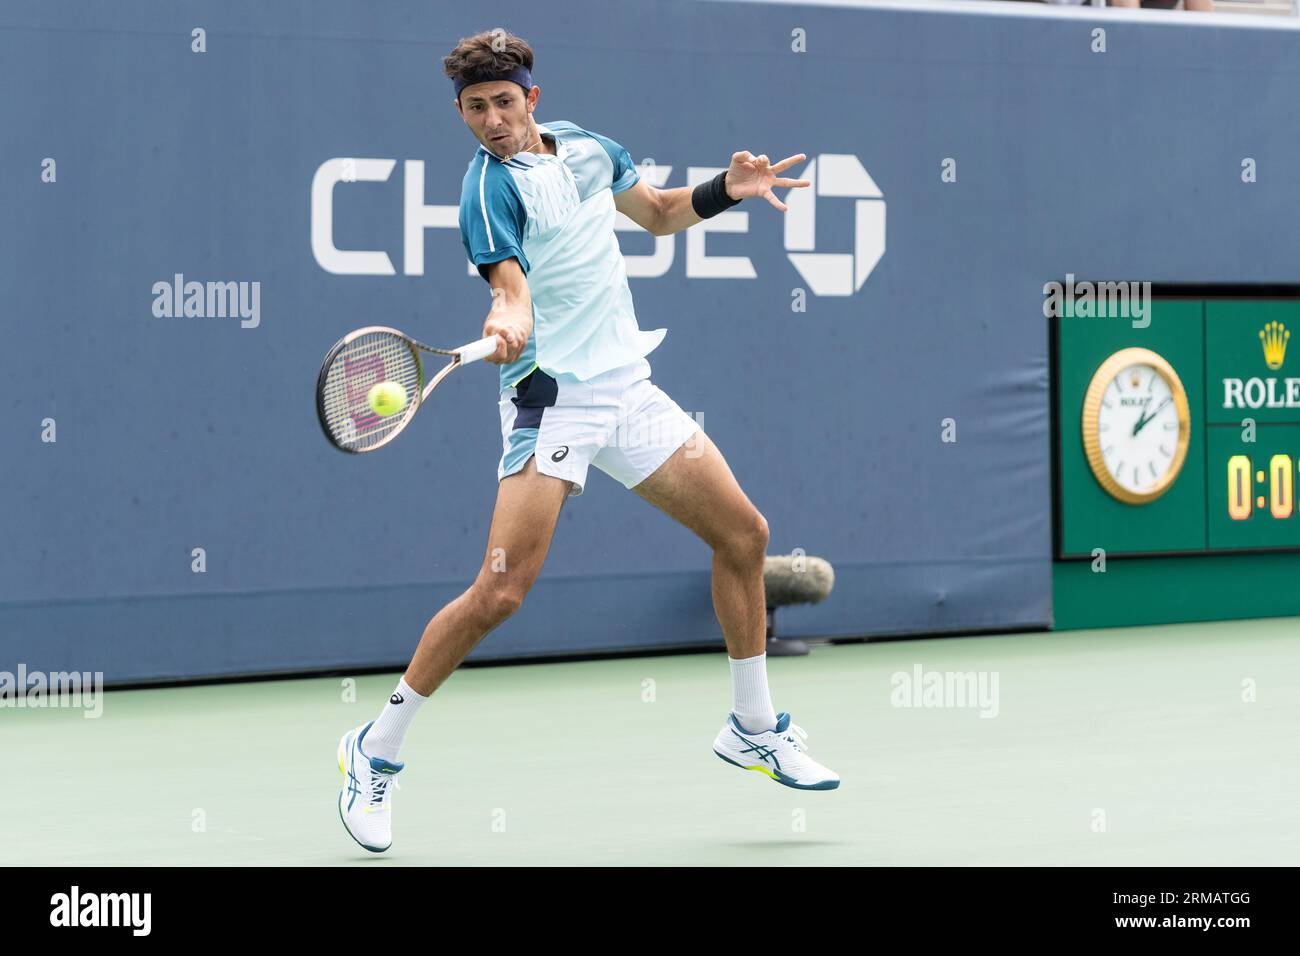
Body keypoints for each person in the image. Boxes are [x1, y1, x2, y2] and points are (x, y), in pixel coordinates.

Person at [336, 29, 840, 854]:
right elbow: (511, 291)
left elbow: (662, 215)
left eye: (504, 103)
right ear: (460, 115)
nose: (493, 121)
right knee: (500, 594)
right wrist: (507, 319)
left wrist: (728, 188)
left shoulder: (588, 149)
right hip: (552, 401)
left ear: (533, 99)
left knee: (743, 534)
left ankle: (753, 725)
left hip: (624, 388)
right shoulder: (485, 194)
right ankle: (374, 749)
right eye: (475, 109)